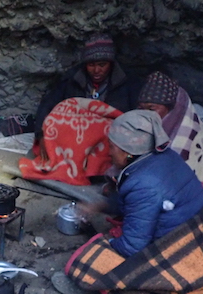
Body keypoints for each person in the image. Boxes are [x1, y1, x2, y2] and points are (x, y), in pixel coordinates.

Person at [64, 110, 203, 294]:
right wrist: (99, 206)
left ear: (127, 152)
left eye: (112, 147)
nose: (109, 152)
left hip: (186, 245)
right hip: (199, 220)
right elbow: (135, 203)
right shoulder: (165, 157)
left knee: (89, 262)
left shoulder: (143, 183)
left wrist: (108, 242)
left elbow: (132, 246)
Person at [19, 35, 141, 186]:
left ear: (111, 63)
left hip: (106, 139)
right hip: (75, 136)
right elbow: (49, 105)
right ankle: (72, 166)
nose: (96, 70)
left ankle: (94, 171)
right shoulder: (72, 79)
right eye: (91, 65)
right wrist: (42, 135)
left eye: (102, 65)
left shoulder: (126, 83)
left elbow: (132, 117)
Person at [136, 71, 203, 198]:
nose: (145, 115)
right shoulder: (149, 131)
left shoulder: (186, 141)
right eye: (141, 109)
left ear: (171, 109)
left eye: (151, 109)